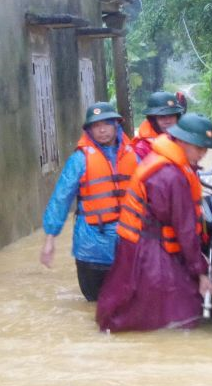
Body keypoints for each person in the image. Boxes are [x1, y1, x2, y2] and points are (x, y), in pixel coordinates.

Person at [96, 114, 212, 331]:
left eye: (205, 149)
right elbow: (185, 228)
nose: (203, 154)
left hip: (138, 244)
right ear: (181, 142)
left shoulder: (166, 162)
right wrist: (200, 271)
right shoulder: (171, 176)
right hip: (148, 249)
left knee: (128, 301)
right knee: (180, 310)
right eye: (198, 147)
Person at [40, 102, 138, 301]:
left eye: (106, 124)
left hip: (129, 246)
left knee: (130, 304)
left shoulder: (134, 156)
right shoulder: (79, 160)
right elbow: (61, 198)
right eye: (96, 125)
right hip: (92, 250)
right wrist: (50, 239)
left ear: (116, 125)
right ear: (89, 130)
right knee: (94, 307)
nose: (101, 130)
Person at [132, 91, 184, 159]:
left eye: (171, 115)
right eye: (162, 117)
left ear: (177, 117)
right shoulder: (142, 149)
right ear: (153, 120)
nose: (168, 121)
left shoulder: (183, 141)